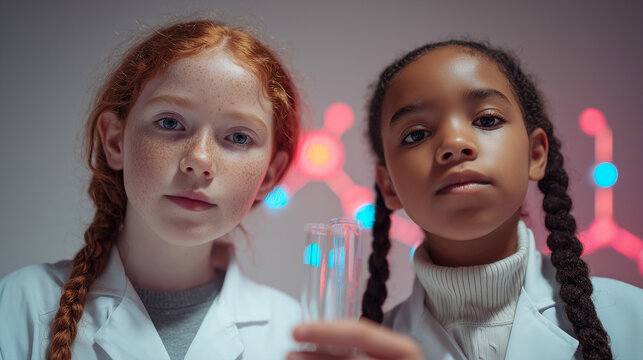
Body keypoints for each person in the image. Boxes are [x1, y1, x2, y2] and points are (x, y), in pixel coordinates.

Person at [290, 40, 643, 360]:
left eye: (487, 119)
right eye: (416, 134)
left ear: (535, 154)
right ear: (389, 187)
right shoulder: (363, 353)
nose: (455, 144)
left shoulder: (633, 318)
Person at [0, 19, 302, 360]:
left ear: (268, 176)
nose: (200, 160)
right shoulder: (18, 305)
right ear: (115, 141)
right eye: (170, 123)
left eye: (239, 137)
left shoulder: (297, 334)